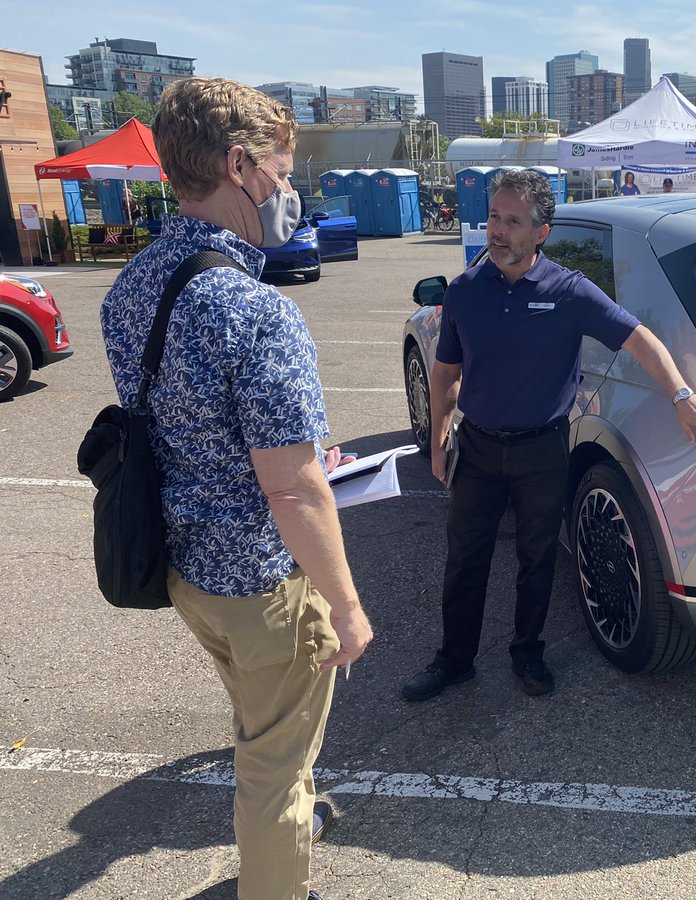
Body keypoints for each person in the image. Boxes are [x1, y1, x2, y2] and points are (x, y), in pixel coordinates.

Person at [100, 77, 373, 900]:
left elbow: (181, 424)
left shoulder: (132, 285)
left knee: (262, 728)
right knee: (274, 766)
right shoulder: (254, 310)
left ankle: (285, 824)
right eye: (282, 172)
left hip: (185, 568)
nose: (288, 191)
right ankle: (278, 872)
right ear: (239, 165)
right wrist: (347, 606)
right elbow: (293, 492)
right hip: (261, 581)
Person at [401, 170, 696, 704]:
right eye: (493, 217)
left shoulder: (570, 291)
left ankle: (527, 654)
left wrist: (681, 394)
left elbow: (639, 338)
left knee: (537, 559)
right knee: (464, 558)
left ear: (542, 232)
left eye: (512, 221)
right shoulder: (464, 291)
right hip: (478, 447)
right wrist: (440, 438)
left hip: (542, 449)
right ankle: (455, 660)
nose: (498, 230)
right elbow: (445, 373)